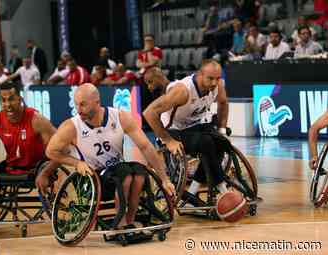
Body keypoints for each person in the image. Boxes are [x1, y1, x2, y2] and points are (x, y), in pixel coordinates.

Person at [42, 83, 175, 229]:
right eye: (76, 105)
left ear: (97, 103)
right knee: (125, 174)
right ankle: (120, 222)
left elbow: (145, 146)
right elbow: (51, 151)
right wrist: (76, 163)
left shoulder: (119, 117)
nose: (78, 110)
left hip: (118, 171)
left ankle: (129, 220)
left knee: (139, 172)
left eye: (83, 105)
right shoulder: (71, 126)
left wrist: (164, 179)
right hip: (92, 179)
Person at [143, 61, 229, 207]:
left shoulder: (218, 86)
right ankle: (223, 190)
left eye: (217, 78)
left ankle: (193, 190)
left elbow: (223, 103)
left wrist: (222, 129)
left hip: (194, 126)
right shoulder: (183, 91)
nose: (215, 82)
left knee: (221, 141)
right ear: (200, 75)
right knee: (206, 142)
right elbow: (149, 113)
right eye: (210, 78)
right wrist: (167, 140)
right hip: (173, 131)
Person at [0, 82, 59, 184]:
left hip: (38, 168)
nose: (8, 105)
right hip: (11, 168)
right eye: (3, 100)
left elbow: (61, 149)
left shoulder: (37, 120)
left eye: (11, 99)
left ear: (20, 99)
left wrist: (46, 172)